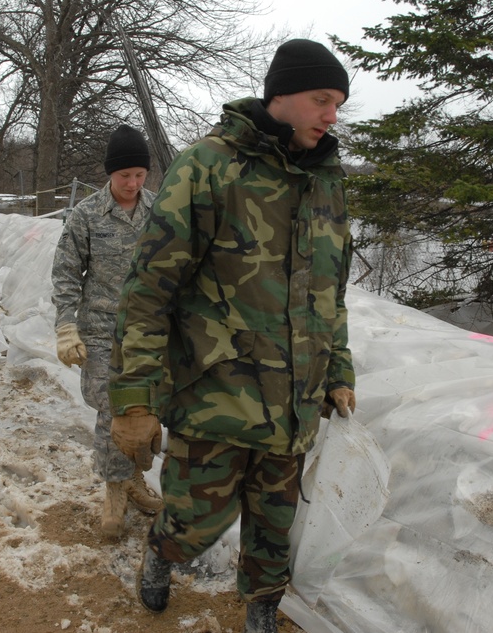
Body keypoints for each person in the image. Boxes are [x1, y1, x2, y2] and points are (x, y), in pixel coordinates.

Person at [107, 39, 357, 633]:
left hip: (294, 405)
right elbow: (147, 292)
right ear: (281, 96)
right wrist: (134, 399)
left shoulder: (326, 182)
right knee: (195, 519)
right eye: (322, 99)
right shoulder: (208, 167)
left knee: (275, 526)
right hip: (214, 393)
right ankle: (163, 554)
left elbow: (331, 294)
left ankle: (263, 607)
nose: (332, 116)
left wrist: (338, 371)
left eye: (339, 103)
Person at [50, 125, 163, 539]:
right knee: (112, 405)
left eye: (139, 175)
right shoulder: (86, 215)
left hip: (149, 332)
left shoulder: (159, 211)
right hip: (100, 331)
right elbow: (65, 272)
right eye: (124, 176)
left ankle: (133, 477)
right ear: (109, 174)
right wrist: (65, 325)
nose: (133, 184)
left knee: (146, 407)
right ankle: (115, 490)